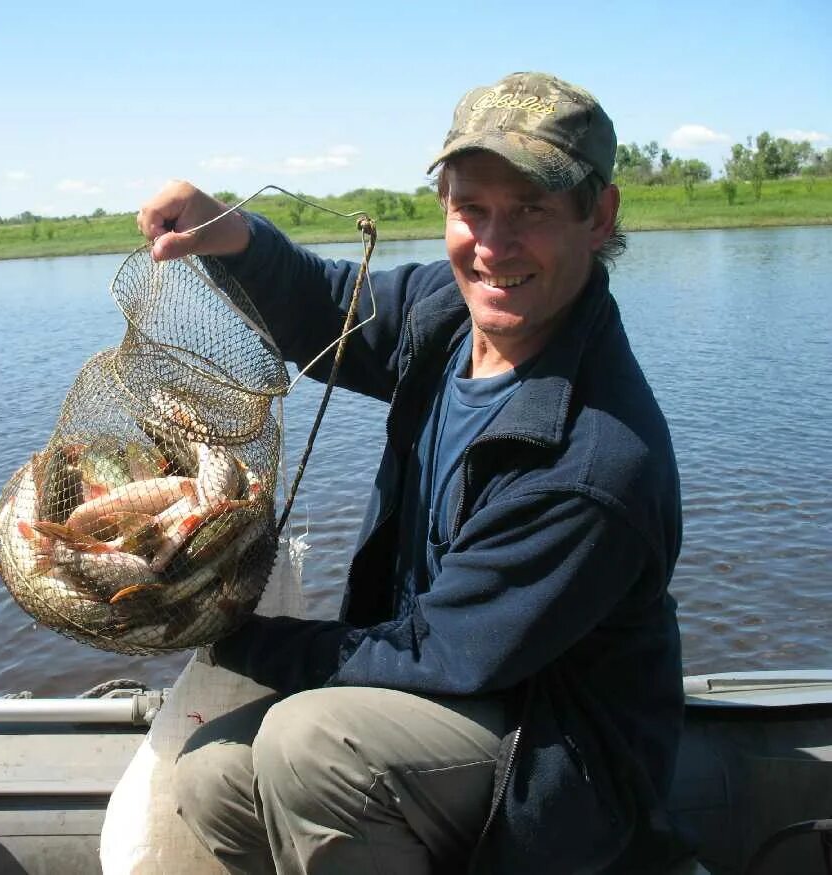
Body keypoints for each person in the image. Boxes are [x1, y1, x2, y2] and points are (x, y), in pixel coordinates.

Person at [136, 72, 689, 874]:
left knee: (309, 744)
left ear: (597, 218)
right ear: (445, 208)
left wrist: (231, 636)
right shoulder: (446, 313)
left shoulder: (596, 462)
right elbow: (332, 305)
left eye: (530, 208)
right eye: (472, 209)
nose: (493, 246)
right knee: (215, 771)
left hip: (558, 759)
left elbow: (439, 654)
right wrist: (233, 233)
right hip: (456, 689)